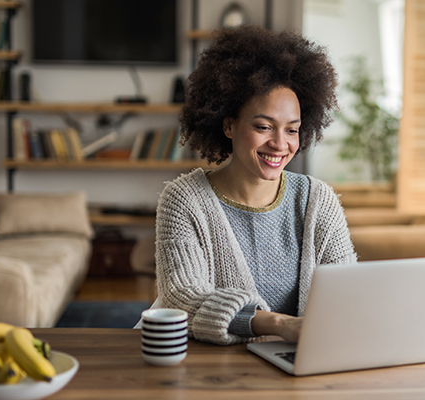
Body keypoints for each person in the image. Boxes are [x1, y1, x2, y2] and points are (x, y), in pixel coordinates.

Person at [140, 25, 357, 345]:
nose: (280, 144)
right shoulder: (184, 200)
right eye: (263, 126)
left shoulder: (317, 200)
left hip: (297, 364)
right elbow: (182, 298)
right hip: (210, 366)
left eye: (292, 130)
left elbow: (348, 292)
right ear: (228, 124)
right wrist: (279, 324)